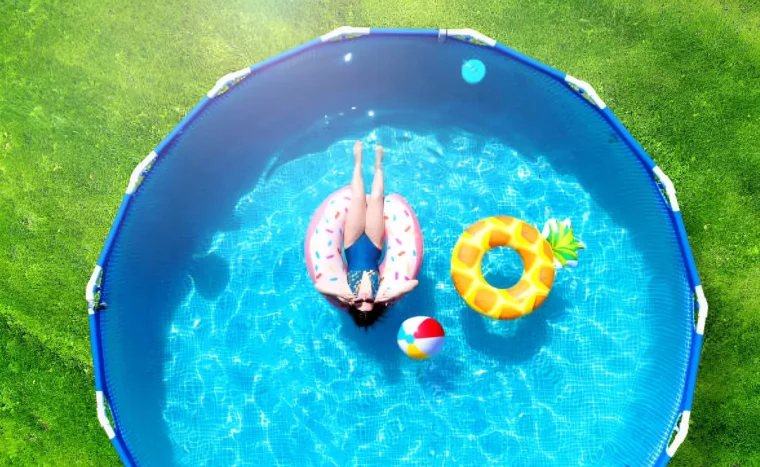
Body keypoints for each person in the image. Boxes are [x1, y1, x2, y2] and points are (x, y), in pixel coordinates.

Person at [316, 141, 419, 328]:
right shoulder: (382, 295)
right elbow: (414, 283)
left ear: (353, 306)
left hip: (352, 242)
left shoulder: (346, 294)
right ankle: (379, 163)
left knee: (358, 196)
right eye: (368, 304)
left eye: (359, 304)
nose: (364, 299)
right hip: (373, 243)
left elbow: (318, 286)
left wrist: (337, 294)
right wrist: (395, 294)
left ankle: (358, 161)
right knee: (377, 196)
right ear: (375, 306)